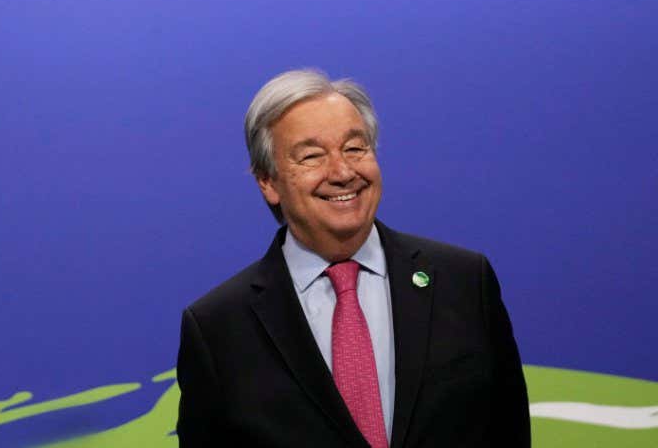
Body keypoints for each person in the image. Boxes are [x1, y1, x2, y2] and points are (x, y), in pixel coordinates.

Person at [176, 69, 530, 447]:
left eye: (355, 148)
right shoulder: (217, 328)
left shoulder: (464, 282)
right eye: (312, 156)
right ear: (268, 181)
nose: (343, 172)